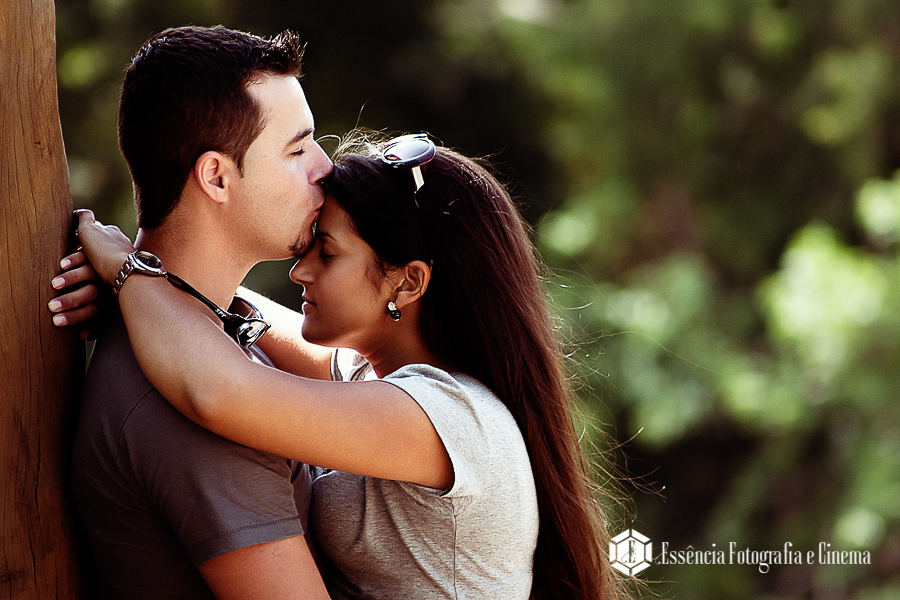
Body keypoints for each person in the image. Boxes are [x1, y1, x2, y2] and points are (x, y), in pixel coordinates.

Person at [64, 131, 627, 600]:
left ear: (407, 282)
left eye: (326, 253)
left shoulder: (448, 420)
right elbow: (222, 300)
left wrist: (127, 274)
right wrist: (137, 287)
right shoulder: (377, 381)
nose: (299, 272)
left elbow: (217, 391)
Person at [48, 25, 334, 600]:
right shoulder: (191, 407)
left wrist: (135, 279)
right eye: (297, 148)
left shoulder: (204, 336)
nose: (323, 166)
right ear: (216, 177)